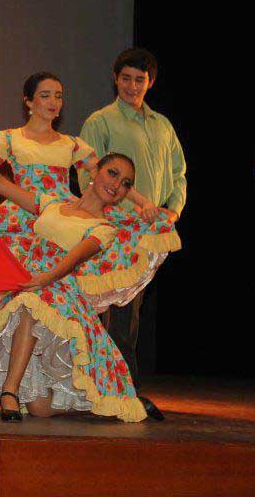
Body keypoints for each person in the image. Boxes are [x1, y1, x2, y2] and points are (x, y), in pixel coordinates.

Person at [0, 144, 148, 422]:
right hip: (33, 285)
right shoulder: (52, 204)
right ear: (94, 172)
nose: (117, 185)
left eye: (125, 183)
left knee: (31, 303)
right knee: (39, 407)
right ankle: (98, 403)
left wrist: (45, 279)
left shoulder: (104, 228)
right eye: (112, 173)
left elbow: (73, 259)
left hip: (61, 296)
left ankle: (10, 391)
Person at [79, 48, 186, 419]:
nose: (132, 86)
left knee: (130, 315)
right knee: (109, 312)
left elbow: (179, 174)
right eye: (125, 78)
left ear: (150, 82)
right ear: (115, 79)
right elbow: (87, 173)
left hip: (148, 234)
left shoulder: (162, 125)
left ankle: (121, 389)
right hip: (112, 230)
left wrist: (173, 210)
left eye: (140, 79)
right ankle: (114, 391)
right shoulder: (101, 121)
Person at [0, 72, 159, 255]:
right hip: (23, 211)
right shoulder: (9, 138)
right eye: (45, 95)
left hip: (63, 216)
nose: (53, 102)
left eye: (58, 96)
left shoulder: (71, 144)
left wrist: (144, 203)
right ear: (29, 101)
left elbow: (108, 176)